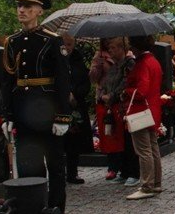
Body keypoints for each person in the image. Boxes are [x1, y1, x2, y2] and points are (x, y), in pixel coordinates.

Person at [0, 0, 71, 214]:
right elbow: (8, 81)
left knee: (55, 166)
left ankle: (54, 213)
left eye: (28, 6)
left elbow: (62, 81)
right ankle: (33, 211)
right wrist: (7, 115)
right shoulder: (12, 42)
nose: (22, 10)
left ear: (39, 10)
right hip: (23, 112)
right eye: (20, 6)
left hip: (48, 111)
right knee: (29, 166)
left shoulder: (51, 41)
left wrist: (63, 116)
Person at [122, 35, 163, 200]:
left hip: (140, 111)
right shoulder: (153, 61)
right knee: (153, 148)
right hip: (152, 109)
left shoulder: (142, 64)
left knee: (143, 150)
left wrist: (126, 91)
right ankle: (156, 182)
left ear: (135, 47)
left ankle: (147, 186)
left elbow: (141, 91)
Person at [91, 37, 129, 181]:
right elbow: (93, 79)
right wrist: (97, 65)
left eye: (113, 47)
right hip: (104, 99)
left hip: (116, 100)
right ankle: (112, 166)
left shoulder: (126, 59)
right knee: (108, 133)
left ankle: (123, 167)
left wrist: (112, 95)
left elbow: (124, 81)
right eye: (109, 47)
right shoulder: (100, 56)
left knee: (119, 134)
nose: (110, 49)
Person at [61, 34, 92, 185]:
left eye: (69, 45)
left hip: (76, 107)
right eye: (64, 44)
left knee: (73, 141)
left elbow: (86, 83)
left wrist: (75, 93)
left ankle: (72, 173)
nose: (67, 48)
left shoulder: (78, 61)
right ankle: (59, 172)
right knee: (60, 141)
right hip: (60, 106)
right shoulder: (55, 60)